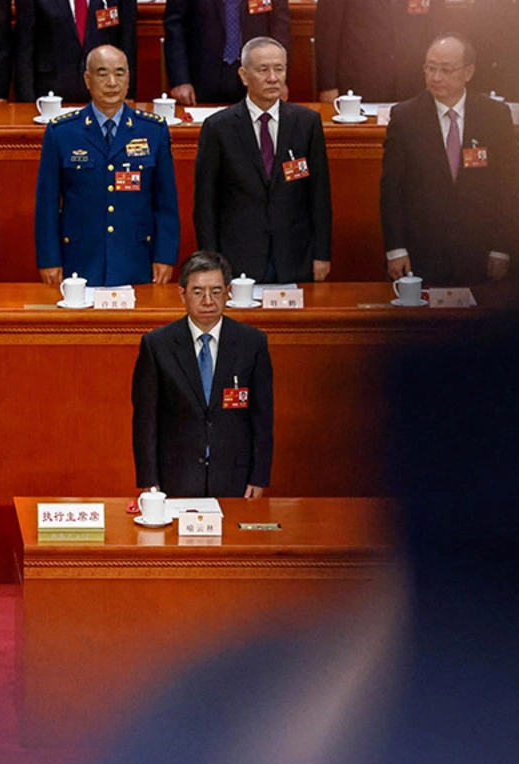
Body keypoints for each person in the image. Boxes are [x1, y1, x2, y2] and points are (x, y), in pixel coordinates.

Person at [132, 250, 273, 499]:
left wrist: (258, 476)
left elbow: (262, 418)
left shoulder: (252, 343)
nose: (208, 300)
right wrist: (149, 480)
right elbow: (145, 421)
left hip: (235, 479)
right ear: (182, 294)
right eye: (198, 292)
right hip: (175, 478)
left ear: (228, 292)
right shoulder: (157, 345)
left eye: (216, 291)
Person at [34, 44, 178, 288]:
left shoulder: (153, 130)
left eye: (120, 73)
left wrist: (164, 256)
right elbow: (47, 204)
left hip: (136, 258)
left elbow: (166, 203)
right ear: (87, 80)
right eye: (102, 74)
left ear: (129, 78)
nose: (112, 82)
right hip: (80, 259)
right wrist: (49, 259)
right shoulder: (62, 132)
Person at [380, 33, 516, 286]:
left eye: (446, 69)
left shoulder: (494, 116)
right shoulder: (405, 117)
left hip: (479, 248)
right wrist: (396, 249)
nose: (436, 77)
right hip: (422, 248)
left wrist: (502, 248)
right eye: (430, 68)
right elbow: (391, 190)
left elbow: (507, 186)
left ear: (469, 72)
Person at [194, 37, 332, 284]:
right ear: (244, 75)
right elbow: (205, 204)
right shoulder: (218, 128)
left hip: (295, 256)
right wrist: (211, 264)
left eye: (279, 69)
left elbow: (319, 196)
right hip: (237, 259)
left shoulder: (307, 123)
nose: (273, 78)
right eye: (263, 69)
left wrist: (322, 255)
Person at [315, 0, 447, 106]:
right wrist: (328, 86)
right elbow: (327, 31)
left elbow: (436, 28)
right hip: (360, 84)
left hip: (413, 83)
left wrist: (435, 76)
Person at [164, 0, 291, 106]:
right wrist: (180, 80)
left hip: (257, 75)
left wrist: (280, 79)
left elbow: (280, 27)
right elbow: (175, 28)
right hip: (201, 77)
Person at [14, 0, 138, 105]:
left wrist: (127, 93)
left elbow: (128, 40)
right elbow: (24, 46)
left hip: (106, 94)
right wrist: (26, 102)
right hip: (51, 96)